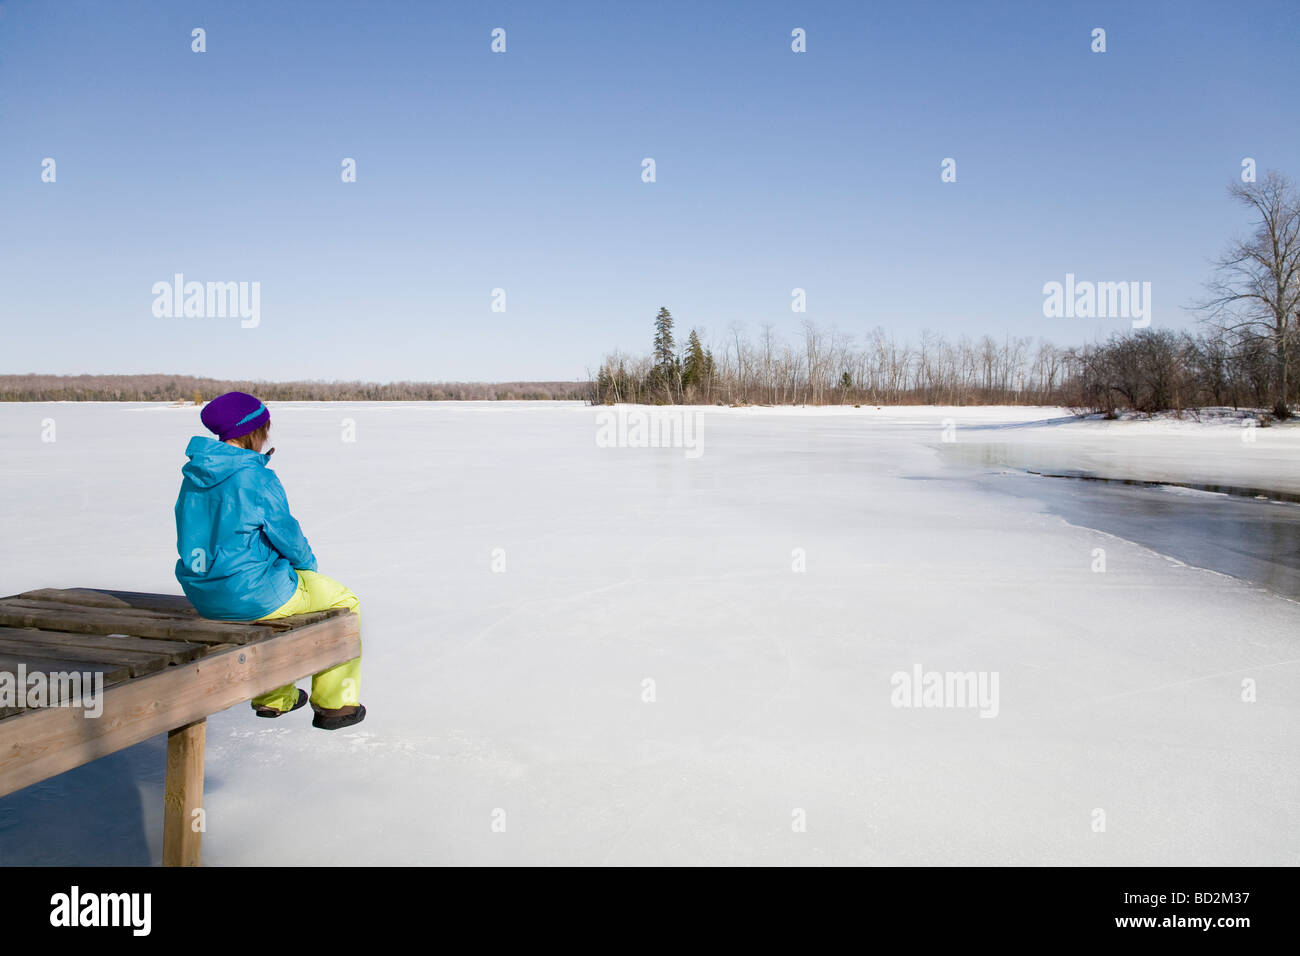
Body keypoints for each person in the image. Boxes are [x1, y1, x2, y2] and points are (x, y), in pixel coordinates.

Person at [173, 391, 365, 730]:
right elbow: (286, 534)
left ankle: (275, 699)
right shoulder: (256, 477)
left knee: (275, 605)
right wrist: (308, 567)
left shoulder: (194, 477)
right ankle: (335, 705)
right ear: (255, 431)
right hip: (254, 594)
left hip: (204, 595)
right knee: (344, 602)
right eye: (265, 429)